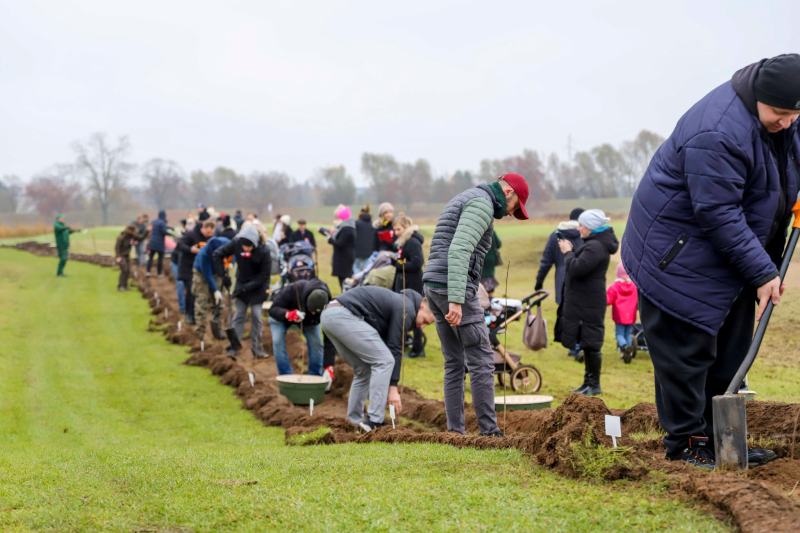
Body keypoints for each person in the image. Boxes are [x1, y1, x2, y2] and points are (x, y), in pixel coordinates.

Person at [622, 55, 800, 469]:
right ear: (759, 98)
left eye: (795, 114)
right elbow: (718, 212)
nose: (788, 122)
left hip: (730, 253)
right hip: (677, 256)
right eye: (780, 113)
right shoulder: (717, 130)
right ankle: (687, 444)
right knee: (687, 356)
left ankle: (723, 443)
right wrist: (763, 272)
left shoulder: (783, 119)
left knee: (730, 353)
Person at [423, 173, 530, 437]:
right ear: (508, 192)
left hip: (434, 285)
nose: (511, 213)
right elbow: (459, 250)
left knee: (454, 362)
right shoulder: (482, 205)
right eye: (515, 206)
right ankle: (489, 433)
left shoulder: (468, 197)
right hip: (452, 287)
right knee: (482, 358)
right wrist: (457, 299)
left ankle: (455, 433)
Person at [321, 286, 434, 432]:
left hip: (329, 315)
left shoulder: (401, 303)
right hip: (343, 316)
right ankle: (374, 420)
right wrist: (393, 388)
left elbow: (385, 343)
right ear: (421, 307)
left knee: (363, 370)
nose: (422, 327)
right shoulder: (407, 309)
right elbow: (395, 348)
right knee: (384, 361)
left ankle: (354, 422)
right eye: (425, 321)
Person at [559, 209, 618, 396]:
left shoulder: (596, 247)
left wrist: (568, 252)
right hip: (587, 300)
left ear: (591, 227)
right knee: (587, 342)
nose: (578, 229)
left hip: (590, 302)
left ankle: (594, 385)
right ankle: (587, 383)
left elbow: (577, 269)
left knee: (591, 343)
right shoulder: (594, 244)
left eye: (581, 225)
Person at [212, 224, 271, 359]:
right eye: (244, 246)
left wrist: (246, 288)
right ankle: (233, 348)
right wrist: (223, 276)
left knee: (256, 316)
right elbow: (217, 254)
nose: (245, 249)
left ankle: (257, 349)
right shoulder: (236, 243)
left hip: (258, 287)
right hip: (241, 283)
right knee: (239, 315)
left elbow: (264, 276)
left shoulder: (264, 251)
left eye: (249, 247)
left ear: (255, 243)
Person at [536, 208, 585, 355]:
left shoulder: (555, 235)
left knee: (567, 314)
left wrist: (539, 281)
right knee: (582, 313)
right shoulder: (585, 234)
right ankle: (580, 344)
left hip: (562, 280)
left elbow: (546, 261)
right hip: (582, 278)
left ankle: (572, 347)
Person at [268, 278, 331, 376]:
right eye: (311, 310)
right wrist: (287, 314)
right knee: (277, 342)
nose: (313, 313)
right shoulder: (293, 290)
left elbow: (329, 336)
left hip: (308, 321)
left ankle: (315, 376)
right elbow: (273, 309)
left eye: (316, 312)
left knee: (317, 344)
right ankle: (286, 376)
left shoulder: (328, 305)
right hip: (281, 317)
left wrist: (329, 365)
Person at [392, 215, 426, 358]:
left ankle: (418, 349)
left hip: (413, 284)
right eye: (394, 230)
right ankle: (406, 343)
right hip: (405, 281)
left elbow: (418, 262)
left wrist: (399, 265)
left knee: (416, 316)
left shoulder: (412, 242)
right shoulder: (404, 241)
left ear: (406, 227)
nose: (396, 233)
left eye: (398, 229)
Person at [191, 234, 232, 342]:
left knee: (218, 303)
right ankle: (200, 331)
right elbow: (208, 275)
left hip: (218, 272)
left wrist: (231, 262)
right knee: (202, 300)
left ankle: (218, 331)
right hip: (201, 273)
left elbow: (235, 252)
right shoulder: (204, 254)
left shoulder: (227, 243)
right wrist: (215, 291)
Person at [176, 220, 215, 325]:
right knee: (191, 291)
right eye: (208, 232)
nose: (209, 235)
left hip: (201, 269)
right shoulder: (191, 234)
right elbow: (179, 245)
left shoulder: (210, 239)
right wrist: (190, 249)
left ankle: (198, 315)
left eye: (211, 233)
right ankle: (189, 315)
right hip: (187, 268)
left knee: (199, 293)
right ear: (203, 228)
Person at [607, 262, 638, 362]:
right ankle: (629, 352)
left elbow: (608, 300)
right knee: (628, 333)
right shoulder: (634, 287)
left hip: (620, 316)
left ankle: (625, 347)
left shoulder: (614, 287)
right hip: (631, 315)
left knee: (619, 334)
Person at [328, 205, 356, 289]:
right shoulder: (351, 227)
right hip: (347, 257)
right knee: (346, 279)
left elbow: (339, 243)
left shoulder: (346, 229)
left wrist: (330, 239)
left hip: (343, 258)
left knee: (344, 280)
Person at [147, 210, 171, 278]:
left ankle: (148, 272)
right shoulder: (163, 222)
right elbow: (163, 231)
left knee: (150, 258)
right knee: (160, 259)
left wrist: (169, 227)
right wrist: (170, 233)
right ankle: (159, 274)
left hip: (152, 243)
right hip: (160, 244)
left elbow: (158, 228)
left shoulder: (154, 221)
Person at [115, 224, 138, 291]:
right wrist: (118, 256)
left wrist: (147, 231)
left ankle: (125, 285)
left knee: (128, 271)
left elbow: (140, 238)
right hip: (121, 256)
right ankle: (120, 286)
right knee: (124, 270)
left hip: (127, 256)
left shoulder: (131, 237)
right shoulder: (121, 238)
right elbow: (117, 248)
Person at [480, 229, 502, 297]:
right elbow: (499, 244)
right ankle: (490, 297)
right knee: (489, 277)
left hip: (480, 258)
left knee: (479, 278)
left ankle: (481, 297)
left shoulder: (478, 231)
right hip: (491, 259)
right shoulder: (492, 232)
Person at [171, 222, 187, 313]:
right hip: (176, 263)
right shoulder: (180, 240)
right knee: (180, 283)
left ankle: (190, 306)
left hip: (187, 264)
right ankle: (182, 306)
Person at [354, 205, 374, 273]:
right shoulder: (372, 224)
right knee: (367, 268)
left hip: (357, 250)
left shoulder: (357, 223)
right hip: (368, 251)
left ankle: (357, 278)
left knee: (356, 267)